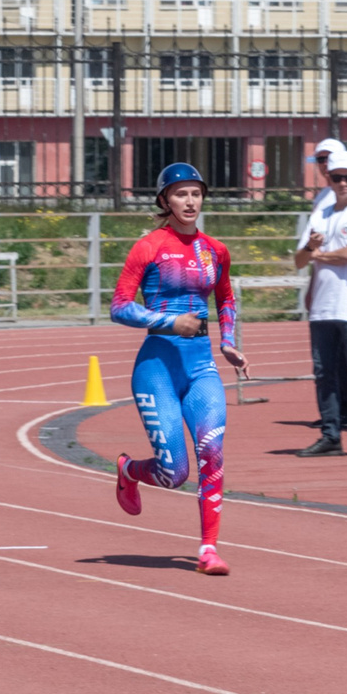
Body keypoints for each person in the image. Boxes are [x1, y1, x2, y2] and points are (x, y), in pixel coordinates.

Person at [109, 163, 249, 577]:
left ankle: (209, 549)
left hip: (201, 367)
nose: (190, 201)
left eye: (196, 194)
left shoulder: (215, 250)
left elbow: (225, 298)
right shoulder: (149, 246)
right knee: (174, 473)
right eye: (181, 194)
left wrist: (227, 343)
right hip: (157, 368)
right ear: (164, 201)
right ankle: (129, 470)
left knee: (212, 452)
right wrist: (169, 322)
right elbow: (119, 306)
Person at [292, 155, 347, 457]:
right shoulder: (321, 213)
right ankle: (331, 435)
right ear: (328, 179)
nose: (342, 183)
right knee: (324, 372)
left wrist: (317, 254)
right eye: (336, 178)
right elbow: (298, 260)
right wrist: (309, 248)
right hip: (323, 307)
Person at [297, 136, 347, 414]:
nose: (325, 164)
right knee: (329, 360)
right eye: (320, 159)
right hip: (325, 284)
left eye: (329, 158)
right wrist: (312, 282)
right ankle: (336, 415)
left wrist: (317, 256)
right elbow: (307, 248)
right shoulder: (322, 197)